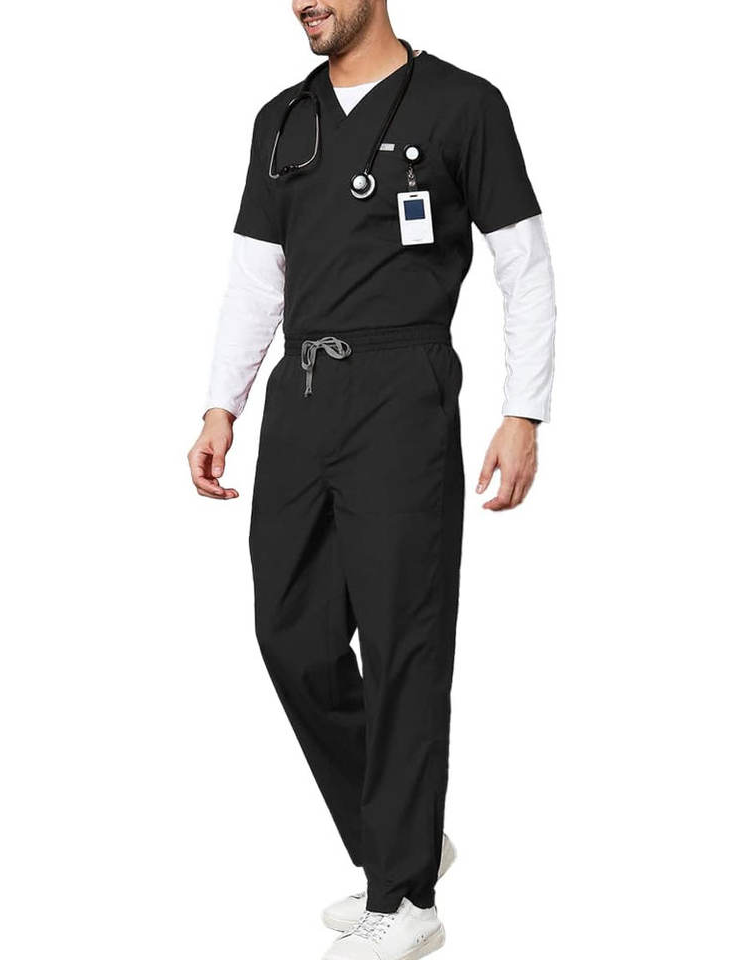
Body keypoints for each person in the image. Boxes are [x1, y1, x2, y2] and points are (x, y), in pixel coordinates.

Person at [187, 2, 556, 956]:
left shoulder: (463, 105)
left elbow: (523, 266)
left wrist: (523, 412)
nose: (301, 2)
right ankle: (404, 839)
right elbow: (256, 276)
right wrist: (222, 405)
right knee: (291, 635)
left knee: (404, 643)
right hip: (303, 390)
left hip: (404, 387)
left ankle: (406, 900)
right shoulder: (282, 121)